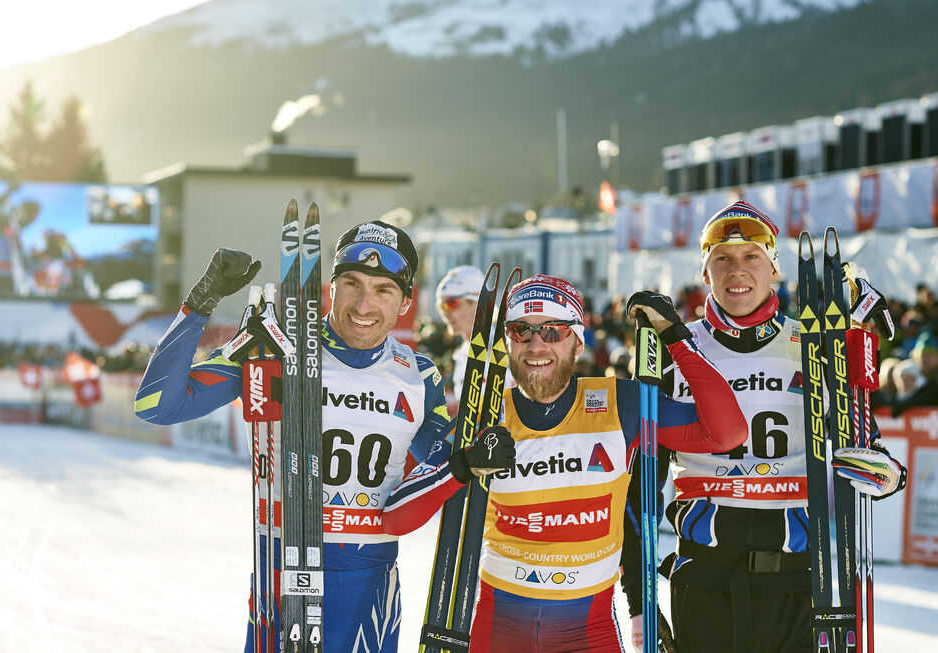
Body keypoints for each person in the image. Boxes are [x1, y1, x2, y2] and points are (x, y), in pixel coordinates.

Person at [133, 221, 517, 653]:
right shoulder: (276, 347)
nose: (363, 304)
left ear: (406, 301)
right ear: (330, 287)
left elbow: (432, 479)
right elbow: (156, 405)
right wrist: (202, 302)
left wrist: (473, 451)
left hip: (370, 586)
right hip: (282, 579)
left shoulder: (419, 374)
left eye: (383, 290)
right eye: (351, 283)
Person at [382, 273, 750, 653]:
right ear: (508, 340)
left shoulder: (620, 404)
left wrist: (675, 337)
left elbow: (727, 432)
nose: (536, 345)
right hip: (499, 628)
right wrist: (462, 466)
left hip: (588, 632)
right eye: (521, 331)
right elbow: (396, 518)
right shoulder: (485, 417)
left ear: (577, 338)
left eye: (554, 331)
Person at [633, 201, 907, 653]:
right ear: (705, 273)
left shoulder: (813, 345)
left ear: (774, 267)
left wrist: (884, 474)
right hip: (704, 576)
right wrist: (641, 603)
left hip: (801, 578)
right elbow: (641, 479)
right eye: (721, 258)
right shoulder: (674, 347)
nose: (736, 270)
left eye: (751, 256)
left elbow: (869, 448)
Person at [435, 265, 514, 414]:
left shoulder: (506, 344)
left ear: (477, 302)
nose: (445, 313)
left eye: (450, 303)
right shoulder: (461, 354)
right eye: (440, 306)